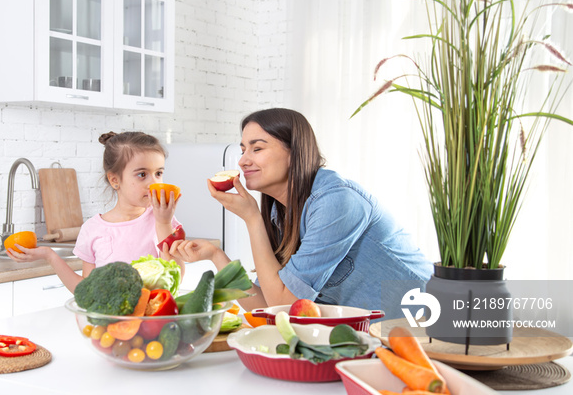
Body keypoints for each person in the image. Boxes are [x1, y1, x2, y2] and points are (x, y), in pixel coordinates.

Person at [169, 108, 432, 318]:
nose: (242, 160)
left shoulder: (336, 201)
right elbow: (264, 307)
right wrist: (216, 256)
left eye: (257, 148)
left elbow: (281, 304)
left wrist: (252, 218)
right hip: (382, 337)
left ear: (294, 153)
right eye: (242, 150)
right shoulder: (281, 215)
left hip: (430, 324)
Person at [7, 131, 183, 293]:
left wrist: (163, 223)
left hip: (156, 321)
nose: (154, 183)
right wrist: (49, 255)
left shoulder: (163, 220)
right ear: (115, 180)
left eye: (159, 173)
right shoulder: (92, 229)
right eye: (142, 174)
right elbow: (86, 291)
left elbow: (177, 277)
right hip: (109, 323)